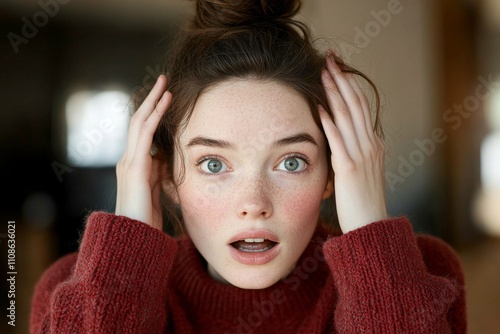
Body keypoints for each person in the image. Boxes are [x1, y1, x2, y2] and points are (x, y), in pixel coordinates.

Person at [30, 0, 466, 332]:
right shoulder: (72, 291)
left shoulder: (423, 274)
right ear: (163, 176)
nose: (253, 204)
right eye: (214, 164)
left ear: (334, 173)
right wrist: (122, 265)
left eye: (291, 162)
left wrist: (373, 239)